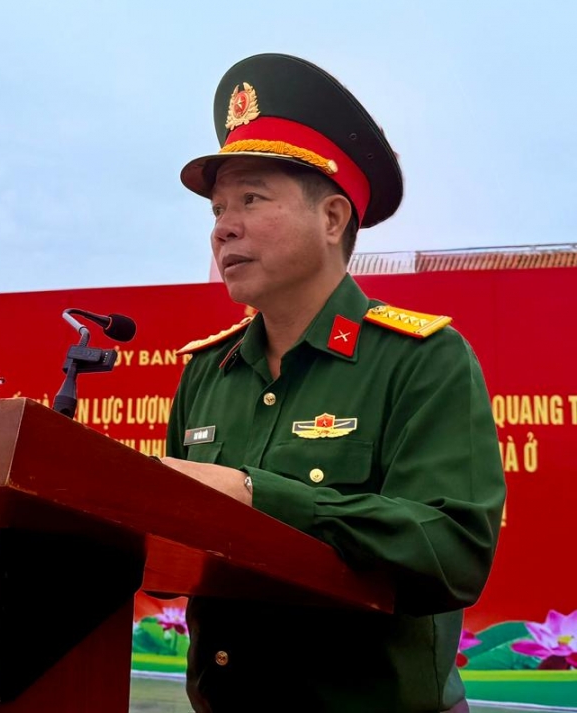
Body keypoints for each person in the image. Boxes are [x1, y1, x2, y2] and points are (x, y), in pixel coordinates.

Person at [163, 53, 505, 712]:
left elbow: (453, 553)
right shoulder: (207, 372)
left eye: (251, 199)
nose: (223, 227)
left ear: (331, 219)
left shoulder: (422, 360)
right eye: (218, 209)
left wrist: (258, 497)